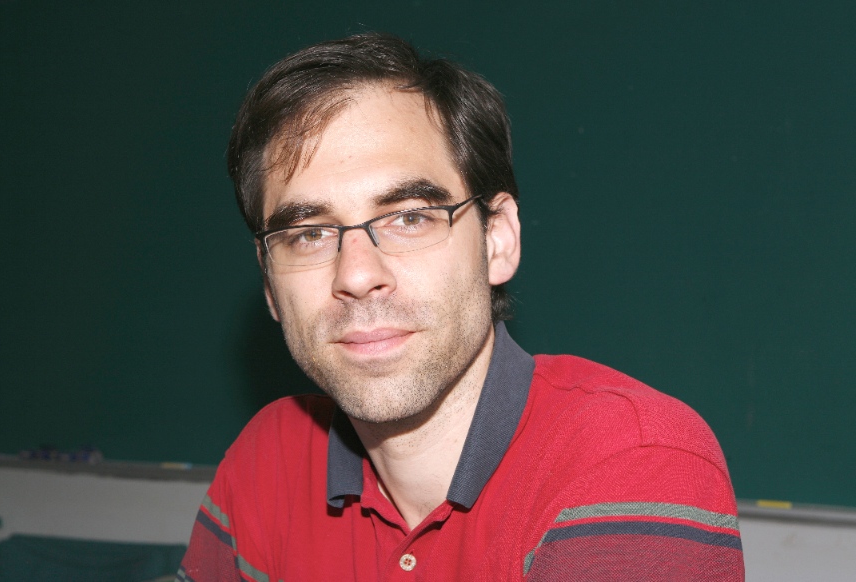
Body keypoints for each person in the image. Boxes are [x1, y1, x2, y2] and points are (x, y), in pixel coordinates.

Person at [178, 33, 745, 581]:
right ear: (270, 283)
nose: (356, 275)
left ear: (497, 240)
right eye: (308, 234)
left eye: (409, 218)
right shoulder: (268, 461)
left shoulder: (632, 460)